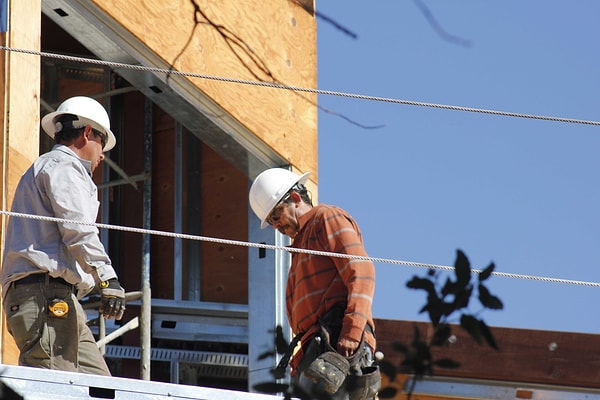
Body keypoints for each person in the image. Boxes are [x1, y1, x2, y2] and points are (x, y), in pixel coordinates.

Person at [1, 96, 126, 375]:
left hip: (55, 297)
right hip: (45, 296)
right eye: (102, 144)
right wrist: (107, 277)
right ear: (87, 134)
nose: (102, 155)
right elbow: (78, 230)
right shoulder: (65, 167)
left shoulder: (49, 167)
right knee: (57, 389)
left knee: (99, 386)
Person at [249, 168, 380, 400]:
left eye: (276, 215)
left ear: (296, 199)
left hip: (337, 340)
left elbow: (362, 271)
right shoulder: (300, 245)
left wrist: (351, 332)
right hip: (320, 347)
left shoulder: (325, 218)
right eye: (270, 221)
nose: (275, 225)